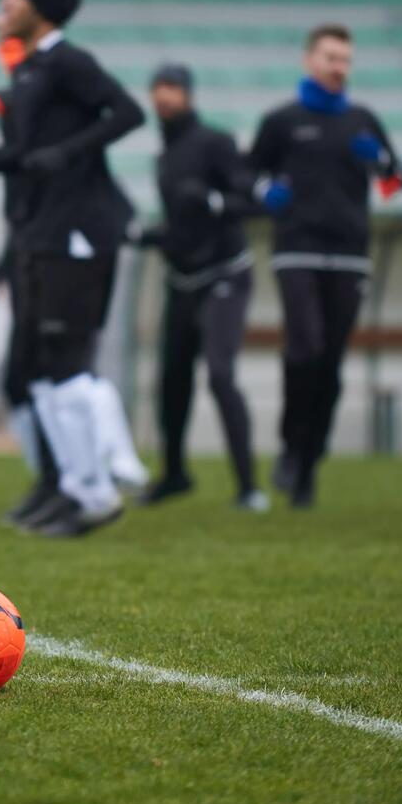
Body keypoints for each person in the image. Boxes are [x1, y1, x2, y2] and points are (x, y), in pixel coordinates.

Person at [0, 0, 146, 537]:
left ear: (40, 6)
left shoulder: (68, 60)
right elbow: (30, 154)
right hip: (41, 229)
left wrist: (68, 152)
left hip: (80, 231)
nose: (5, 3)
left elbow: (127, 113)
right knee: (42, 372)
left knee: (66, 367)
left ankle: (100, 489)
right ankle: (70, 484)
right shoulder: (31, 69)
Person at [248, 24, 400, 508]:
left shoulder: (363, 120)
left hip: (351, 253)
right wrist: (264, 193)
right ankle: (292, 444)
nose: (339, 67)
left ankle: (309, 463)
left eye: (345, 60)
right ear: (309, 60)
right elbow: (248, 172)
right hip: (298, 248)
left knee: (330, 360)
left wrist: (379, 160)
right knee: (305, 346)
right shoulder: (281, 120)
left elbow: (393, 179)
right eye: (331, 57)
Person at [136, 64, 268, 511]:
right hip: (183, 279)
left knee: (220, 373)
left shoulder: (216, 141)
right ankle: (175, 475)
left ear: (189, 94)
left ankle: (249, 486)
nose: (164, 97)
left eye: (172, 88)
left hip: (225, 274)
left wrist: (213, 200)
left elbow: (251, 200)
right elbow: (182, 223)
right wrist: (153, 235)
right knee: (172, 381)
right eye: (158, 89)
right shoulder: (164, 156)